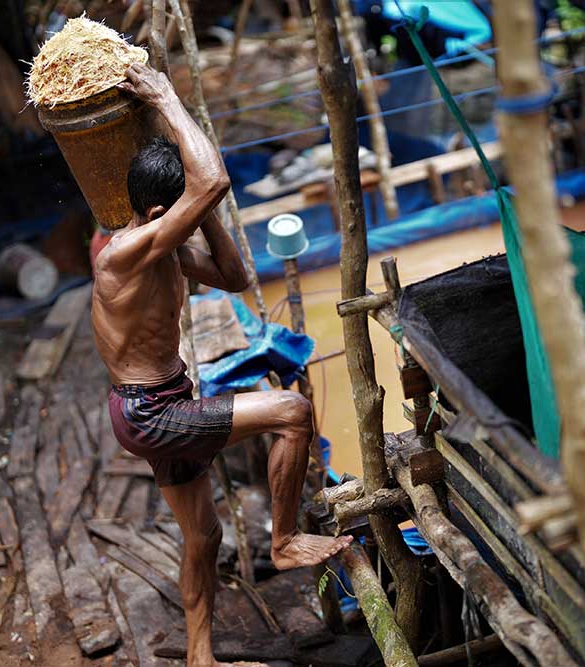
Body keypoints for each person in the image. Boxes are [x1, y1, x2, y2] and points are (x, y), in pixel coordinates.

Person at [91, 63, 352, 667]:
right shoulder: (124, 255)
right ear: (158, 213)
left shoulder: (165, 246)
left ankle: (200, 658)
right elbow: (215, 178)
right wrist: (162, 95)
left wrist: (201, 209)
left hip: (161, 401)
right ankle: (283, 541)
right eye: (182, 207)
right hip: (152, 412)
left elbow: (235, 276)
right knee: (292, 410)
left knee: (203, 537)